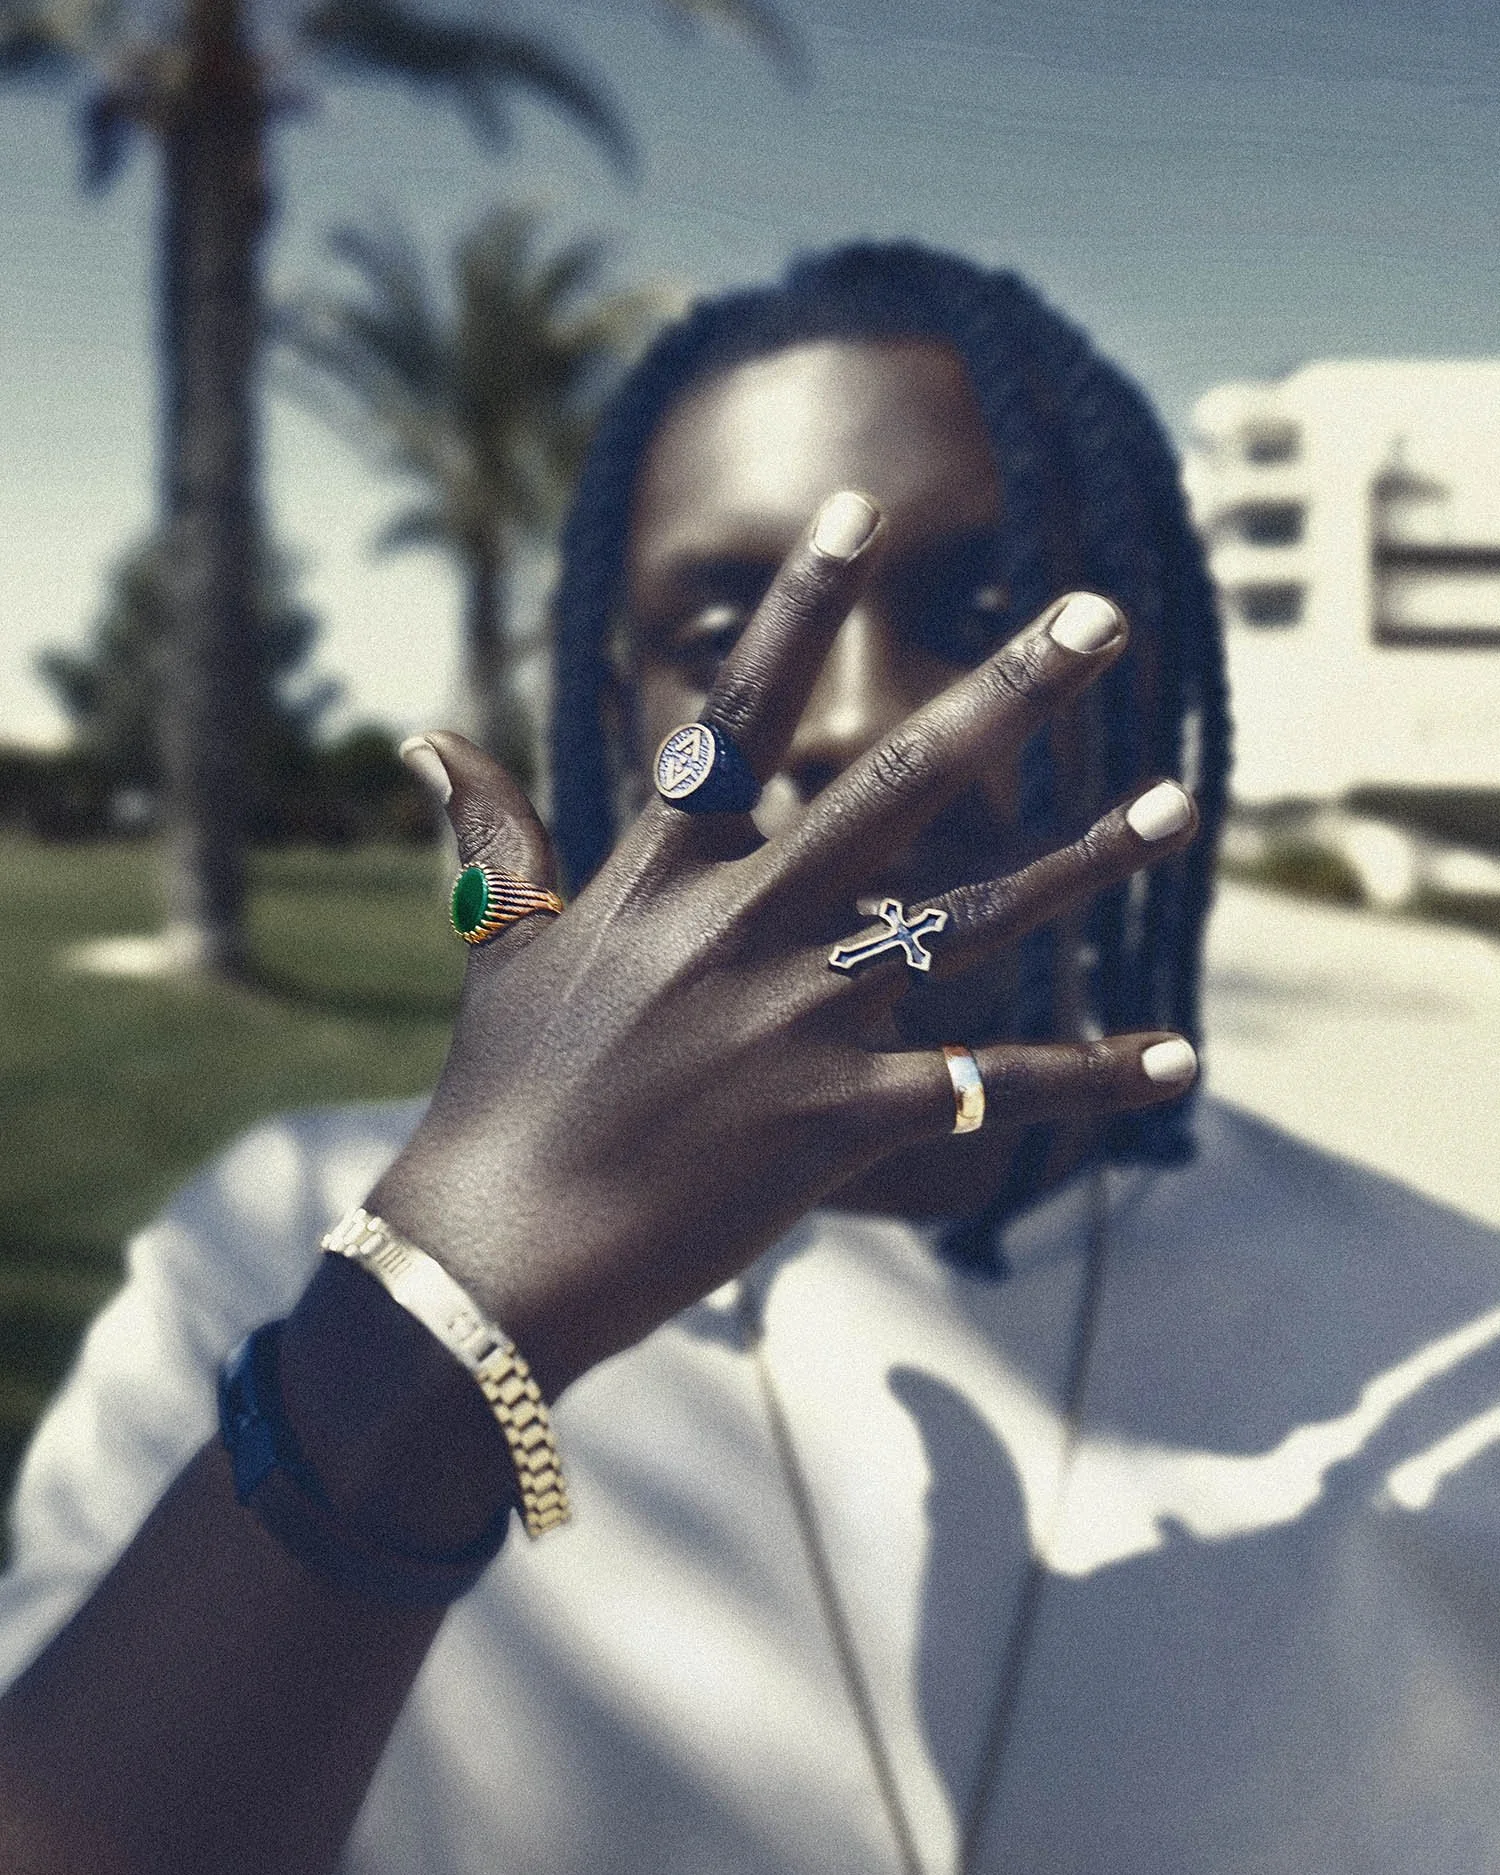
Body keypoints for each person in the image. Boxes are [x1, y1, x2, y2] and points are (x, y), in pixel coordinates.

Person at [1, 242, 1499, 1875]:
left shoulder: (1449, 1338)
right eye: (727, 625)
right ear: (619, 704)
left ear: (1145, 688)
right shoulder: (274, 1243)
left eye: (990, 613)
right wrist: (441, 1308)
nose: (859, 719)